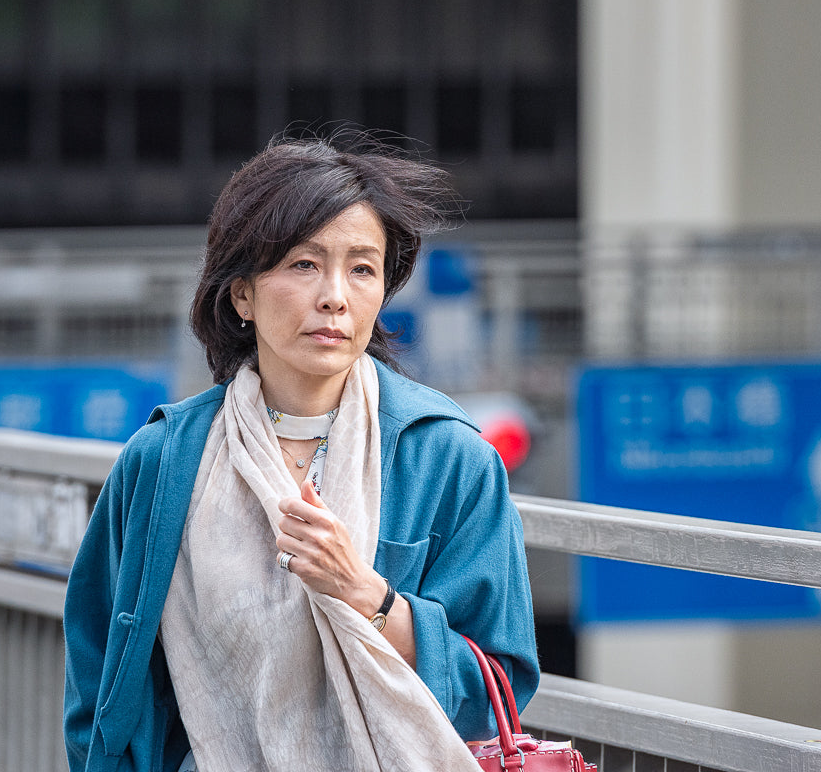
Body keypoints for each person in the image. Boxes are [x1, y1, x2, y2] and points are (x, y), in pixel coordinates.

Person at [63, 136, 539, 772]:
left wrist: (364, 592)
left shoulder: (447, 459)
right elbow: (99, 678)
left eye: (362, 269)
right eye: (303, 265)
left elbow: (496, 689)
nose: (335, 296)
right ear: (241, 296)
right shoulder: (164, 461)